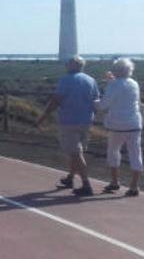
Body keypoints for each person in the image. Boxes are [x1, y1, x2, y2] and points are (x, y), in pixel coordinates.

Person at [36, 55, 99, 196]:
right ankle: (70, 178)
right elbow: (96, 100)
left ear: (73, 65)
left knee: (75, 153)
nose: (66, 66)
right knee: (75, 151)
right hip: (86, 121)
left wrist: (43, 117)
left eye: (68, 64)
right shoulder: (91, 80)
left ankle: (86, 184)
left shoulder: (66, 80)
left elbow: (56, 100)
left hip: (69, 121)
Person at [96, 58, 144, 196]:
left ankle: (115, 181)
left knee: (113, 152)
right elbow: (125, 93)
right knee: (135, 154)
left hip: (117, 125)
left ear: (116, 70)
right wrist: (111, 82)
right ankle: (134, 186)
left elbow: (104, 104)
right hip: (134, 124)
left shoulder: (114, 85)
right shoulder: (134, 84)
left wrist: (93, 102)